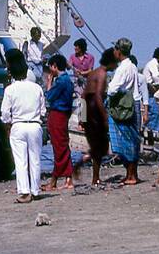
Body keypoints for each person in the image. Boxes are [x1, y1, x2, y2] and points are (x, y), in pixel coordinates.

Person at [0, 57, 46, 203]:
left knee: (20, 161)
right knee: (35, 159)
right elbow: (43, 111)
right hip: (34, 124)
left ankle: (24, 192)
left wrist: (7, 124)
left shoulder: (10, 90)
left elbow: (5, 114)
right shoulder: (37, 88)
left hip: (18, 125)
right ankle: (36, 190)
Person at [106, 38, 143, 185]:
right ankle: (132, 174)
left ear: (119, 51)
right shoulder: (132, 66)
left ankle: (131, 175)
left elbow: (112, 89)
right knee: (132, 140)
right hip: (133, 104)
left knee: (125, 141)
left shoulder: (122, 69)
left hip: (124, 107)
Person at [44, 54, 76, 190]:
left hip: (57, 114)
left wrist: (49, 83)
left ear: (54, 66)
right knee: (62, 144)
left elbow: (49, 96)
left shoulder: (60, 81)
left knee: (59, 146)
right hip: (64, 114)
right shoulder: (68, 80)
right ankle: (66, 178)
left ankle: (56, 179)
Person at [83, 48, 113, 187]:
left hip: (88, 109)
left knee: (96, 144)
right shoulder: (102, 74)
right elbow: (98, 96)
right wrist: (105, 117)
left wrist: (82, 117)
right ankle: (95, 177)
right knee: (99, 145)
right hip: (95, 110)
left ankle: (95, 175)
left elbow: (83, 96)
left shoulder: (92, 73)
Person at [141, 47, 159, 144]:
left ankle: (150, 132)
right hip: (149, 90)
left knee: (153, 113)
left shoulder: (152, 64)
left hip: (149, 89)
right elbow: (155, 78)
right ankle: (150, 132)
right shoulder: (153, 64)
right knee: (154, 113)